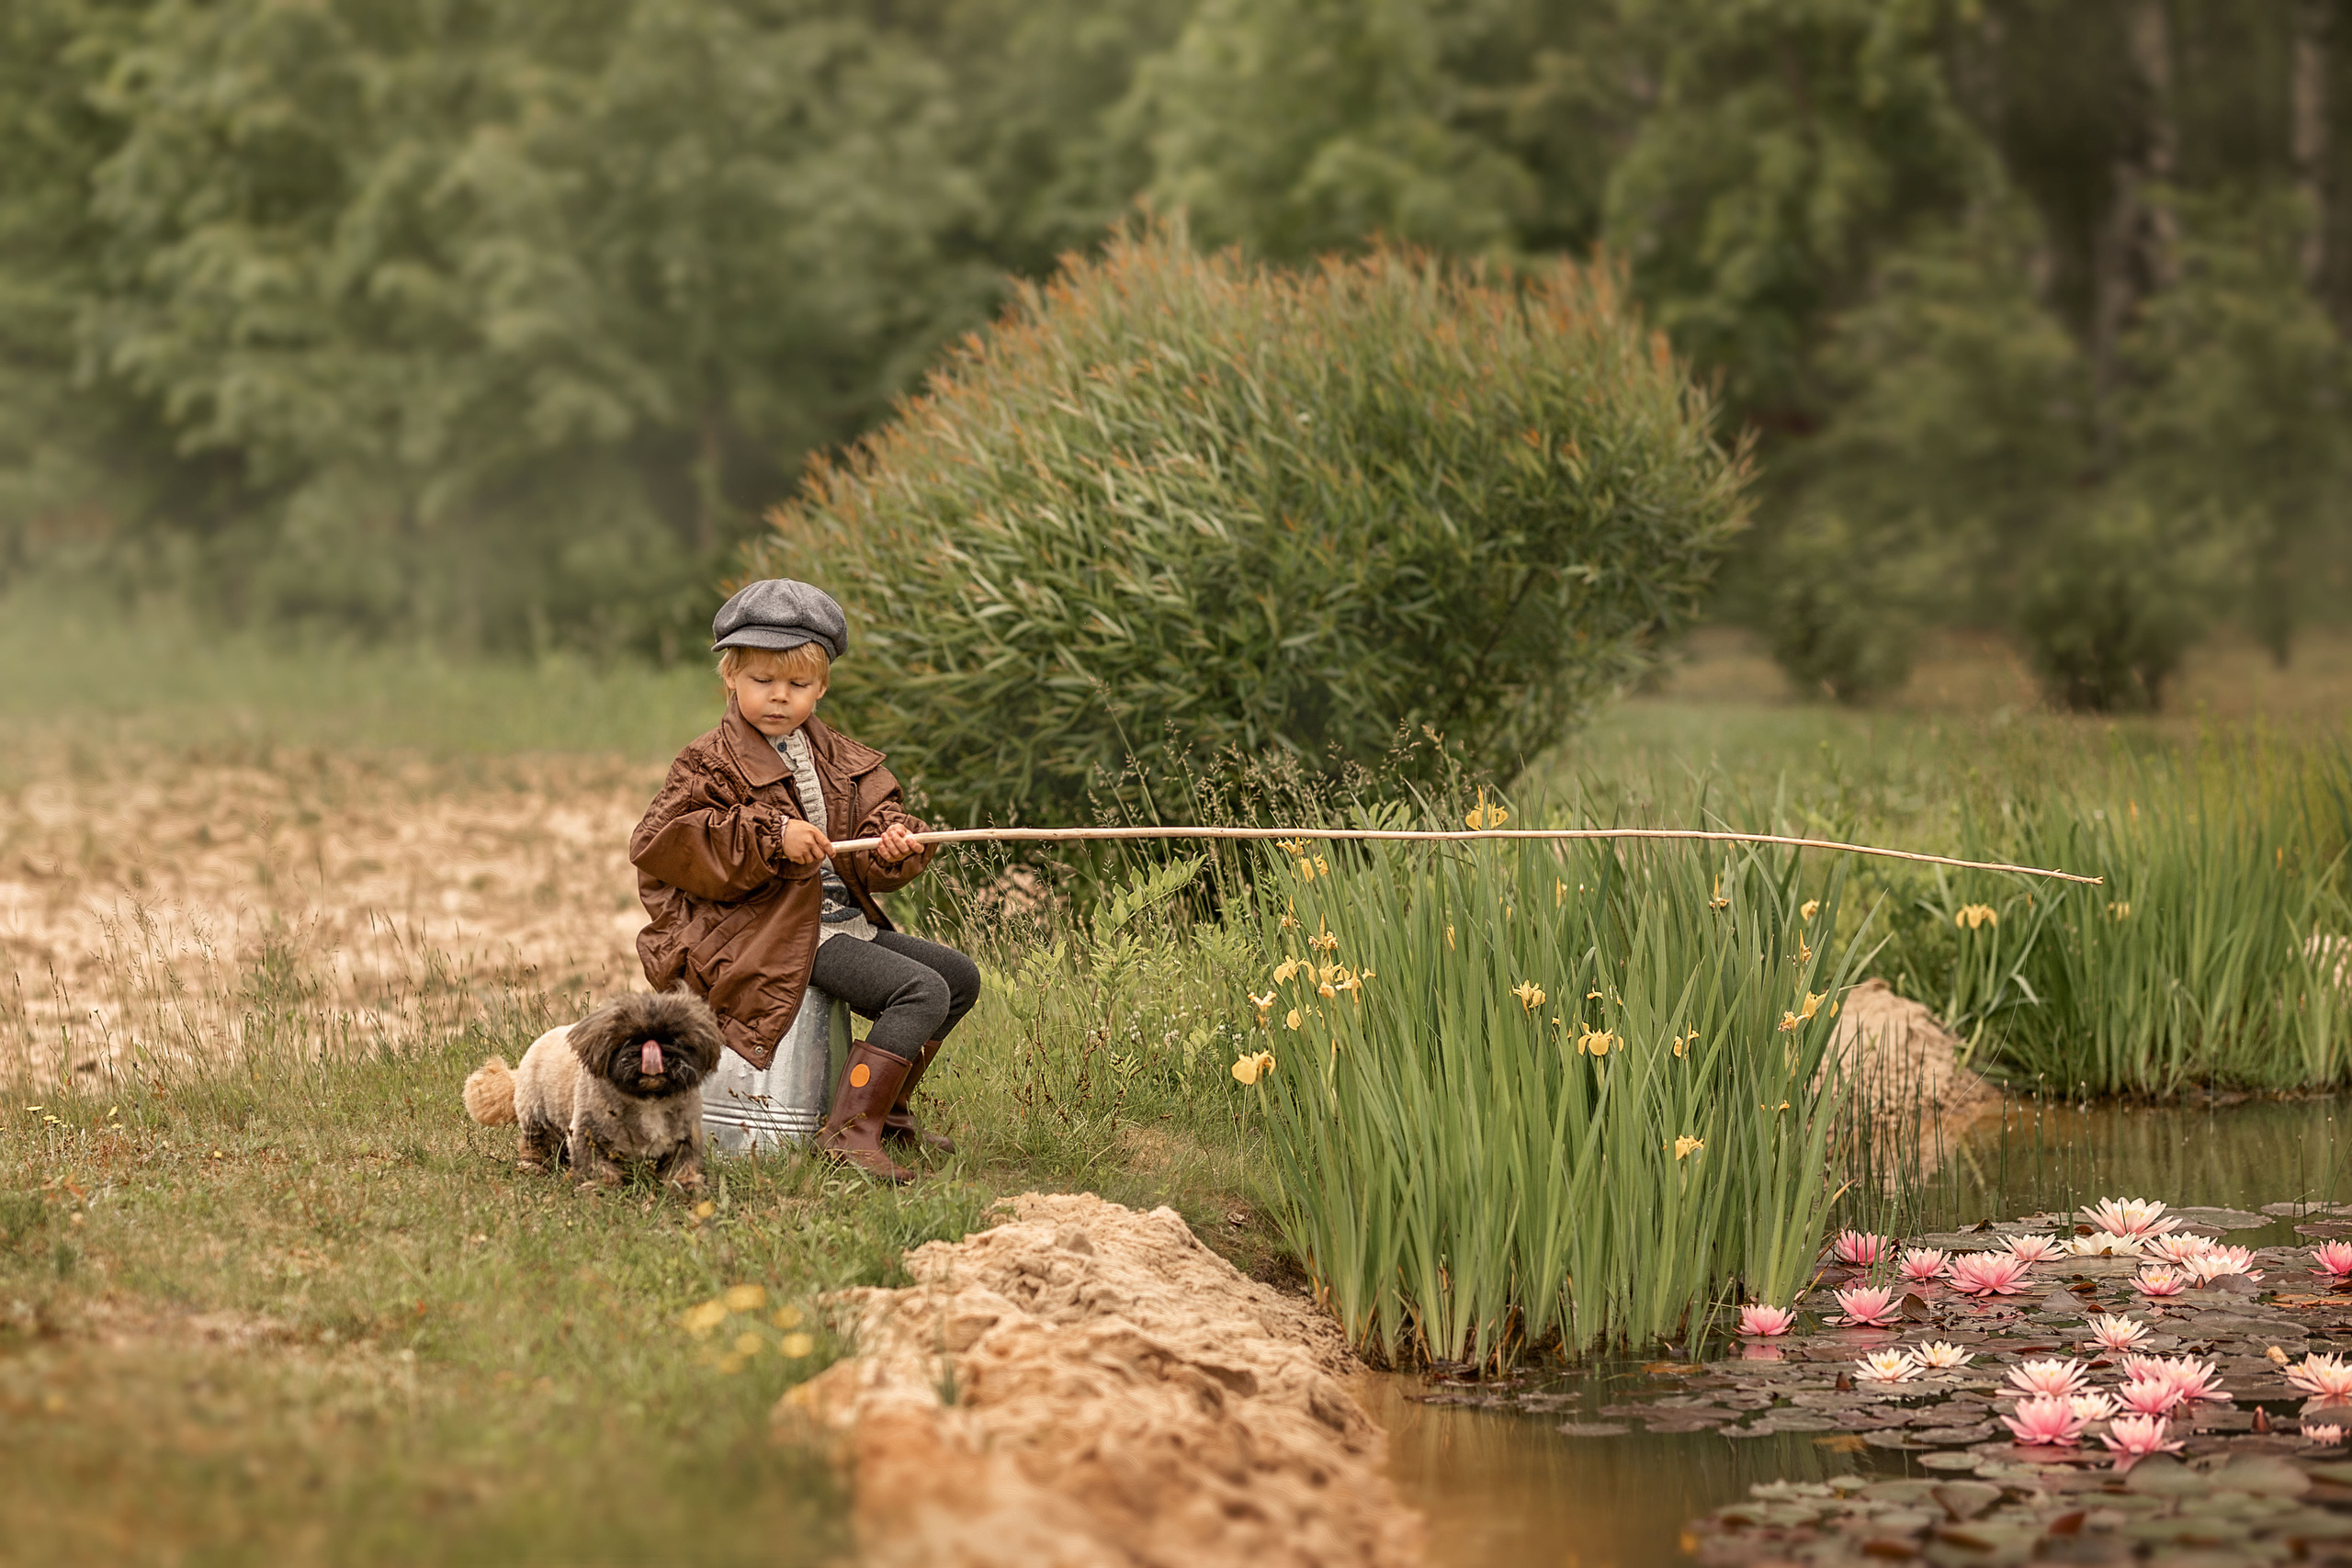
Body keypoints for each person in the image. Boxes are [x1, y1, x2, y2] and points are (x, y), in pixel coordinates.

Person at [628, 579, 979, 1182]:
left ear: (821, 686)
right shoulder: (708, 761)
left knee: (957, 977)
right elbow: (665, 842)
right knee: (918, 990)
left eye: (796, 684)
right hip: (762, 931)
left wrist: (895, 841)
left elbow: (876, 824)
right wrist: (771, 837)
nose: (778, 697)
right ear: (731, 678)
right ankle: (848, 1133)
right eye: (762, 680)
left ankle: (888, 1112)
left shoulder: (841, 759)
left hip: (838, 922)